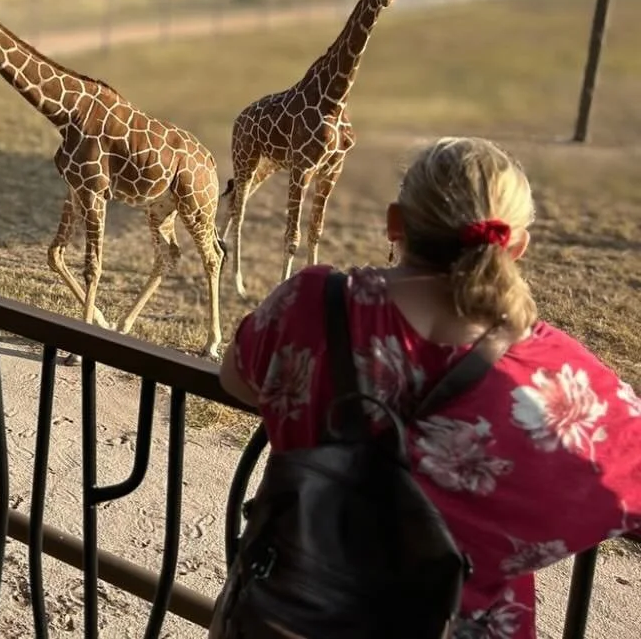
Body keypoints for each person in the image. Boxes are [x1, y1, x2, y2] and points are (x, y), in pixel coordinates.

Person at [219, 136, 641, 639]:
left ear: (395, 223)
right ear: (517, 247)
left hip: (288, 614)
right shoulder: (556, 379)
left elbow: (235, 378)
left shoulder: (310, 303)